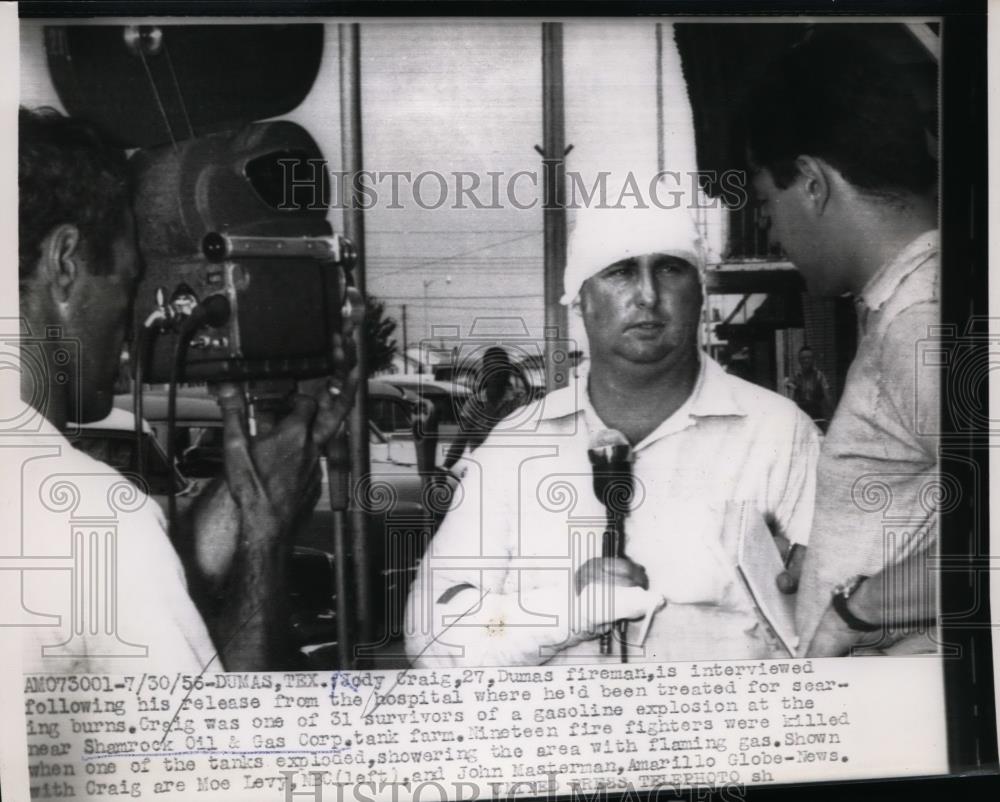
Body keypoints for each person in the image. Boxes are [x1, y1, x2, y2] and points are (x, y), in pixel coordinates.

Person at [15, 107, 359, 673]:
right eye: (129, 284)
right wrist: (263, 541)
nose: (131, 321)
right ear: (66, 262)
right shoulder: (97, 518)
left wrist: (247, 485)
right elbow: (223, 750)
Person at [404, 200, 820, 667]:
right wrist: (561, 610)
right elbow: (431, 638)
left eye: (669, 269)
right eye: (620, 271)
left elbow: (835, 632)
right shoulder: (515, 447)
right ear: (580, 299)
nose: (647, 295)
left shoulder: (781, 436)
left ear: (700, 292)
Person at [745, 30, 939, 656]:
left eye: (765, 204)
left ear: (811, 182)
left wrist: (857, 608)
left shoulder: (922, 320)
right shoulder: (909, 302)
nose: (772, 234)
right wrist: (832, 557)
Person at [442, 346, 527, 470]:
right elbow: (460, 441)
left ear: (507, 372)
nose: (496, 375)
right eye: (491, 369)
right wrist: (445, 468)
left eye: (500, 370)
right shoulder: (474, 404)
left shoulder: (519, 402)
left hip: (511, 469)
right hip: (480, 470)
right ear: (484, 372)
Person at [785, 345, 832, 431]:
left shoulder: (820, 376)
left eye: (809, 358)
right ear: (799, 360)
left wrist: (831, 416)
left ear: (813, 359)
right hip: (801, 415)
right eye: (803, 358)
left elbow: (828, 397)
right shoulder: (795, 377)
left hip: (817, 415)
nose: (806, 361)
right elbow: (790, 399)